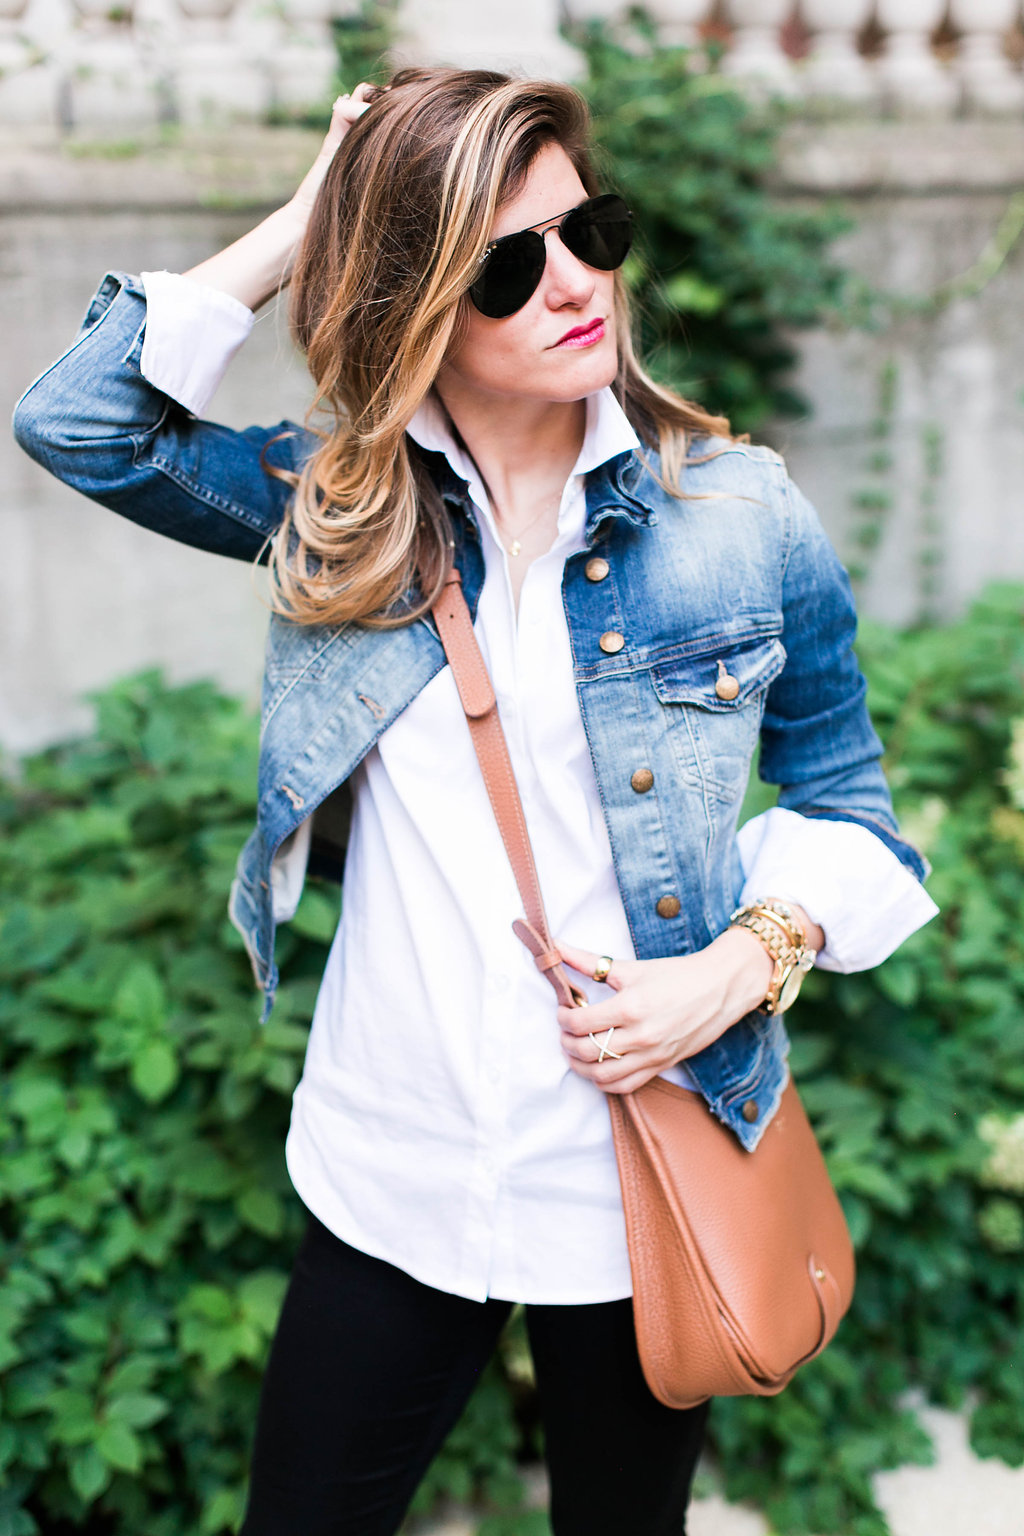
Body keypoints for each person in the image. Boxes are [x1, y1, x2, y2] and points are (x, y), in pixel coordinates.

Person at [13, 67, 937, 1536]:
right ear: (416, 298)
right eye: (511, 264)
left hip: (647, 1173)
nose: (576, 284)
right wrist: (314, 213)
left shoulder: (742, 519)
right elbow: (81, 424)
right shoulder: (342, 508)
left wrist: (739, 967)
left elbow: (853, 804)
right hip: (399, 1162)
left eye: (593, 233)